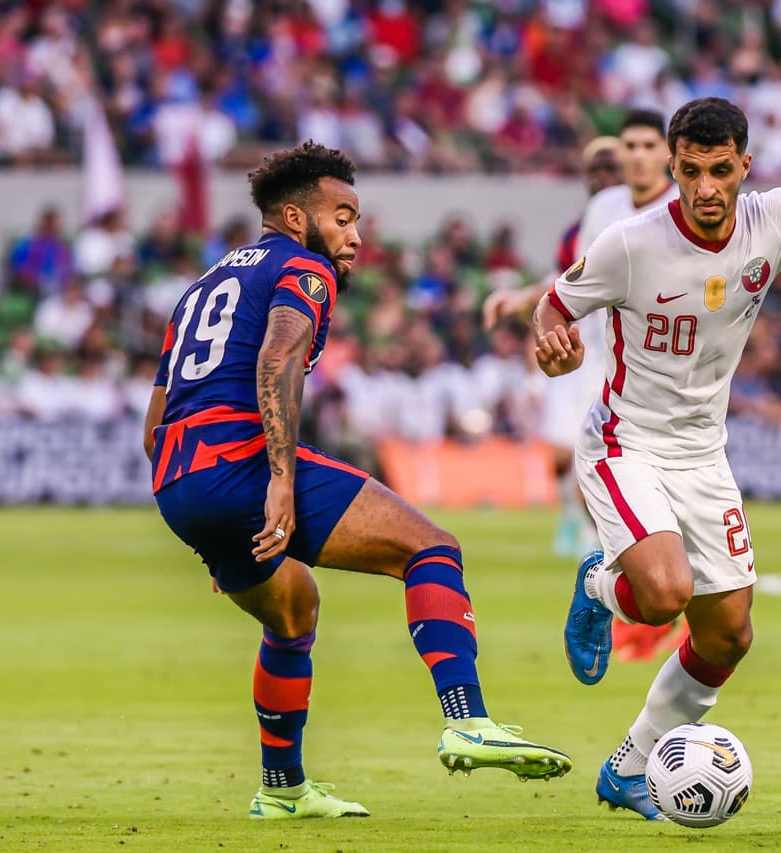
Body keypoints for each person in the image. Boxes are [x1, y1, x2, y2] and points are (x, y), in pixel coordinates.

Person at [142, 141, 571, 822]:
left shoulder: (201, 288)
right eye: (341, 218)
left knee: (294, 612)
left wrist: (209, 527)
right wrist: (277, 479)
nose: (354, 236)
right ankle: (468, 720)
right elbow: (278, 358)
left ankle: (282, 789)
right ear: (294, 217)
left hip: (180, 483)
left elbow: (155, 424)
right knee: (431, 547)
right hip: (243, 462)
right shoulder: (304, 267)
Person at [532, 75, 781, 820]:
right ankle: (600, 586)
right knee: (663, 594)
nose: (706, 187)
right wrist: (554, 346)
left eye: (720, 169)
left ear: (745, 164)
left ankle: (629, 766)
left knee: (729, 634)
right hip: (625, 441)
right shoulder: (630, 243)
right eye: (690, 170)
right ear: (673, 167)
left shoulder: (777, 218)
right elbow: (555, 305)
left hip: (704, 453)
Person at [486, 112, 684, 659]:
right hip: (603, 362)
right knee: (596, 477)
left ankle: (620, 585)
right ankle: (619, 588)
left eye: (648, 145)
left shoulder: (685, 207)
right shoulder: (605, 208)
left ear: (667, 155)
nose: (637, 156)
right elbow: (577, 277)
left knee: (660, 492)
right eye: (629, 146)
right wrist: (527, 301)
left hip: (671, 372)